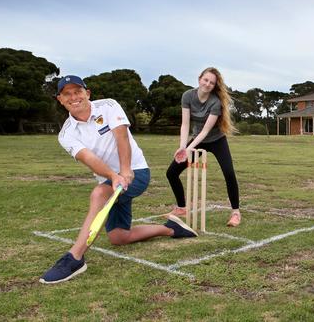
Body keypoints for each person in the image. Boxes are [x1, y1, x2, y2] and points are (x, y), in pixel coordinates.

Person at [40, 75, 197, 284]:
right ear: (60, 99)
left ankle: (75, 258)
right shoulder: (66, 134)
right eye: (66, 94)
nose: (73, 97)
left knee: (98, 194)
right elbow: (89, 158)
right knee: (118, 237)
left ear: (87, 93)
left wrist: (124, 171)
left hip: (136, 172)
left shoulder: (108, 106)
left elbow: (121, 136)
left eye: (77, 91)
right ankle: (171, 228)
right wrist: (114, 177)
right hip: (111, 181)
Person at [166, 67, 241, 227]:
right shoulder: (187, 96)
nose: (207, 84)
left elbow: (206, 130)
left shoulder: (215, 102)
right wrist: (182, 147)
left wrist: (189, 148)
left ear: (214, 86)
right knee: (172, 173)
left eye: (211, 83)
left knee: (229, 173)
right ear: (199, 79)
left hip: (216, 140)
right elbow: (185, 124)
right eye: (205, 80)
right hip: (197, 140)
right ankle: (181, 207)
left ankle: (235, 212)